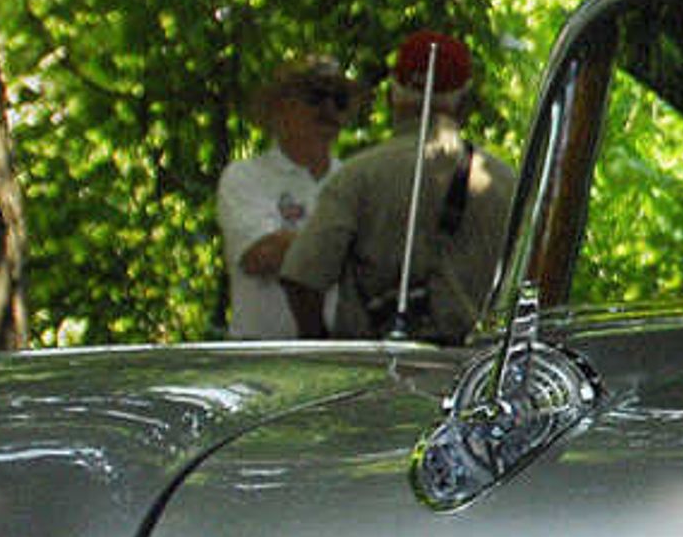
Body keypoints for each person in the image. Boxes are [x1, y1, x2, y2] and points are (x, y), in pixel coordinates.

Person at [280, 30, 517, 343]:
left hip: (375, 372)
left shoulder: (357, 177)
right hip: (473, 372)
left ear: (392, 96)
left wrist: (320, 345)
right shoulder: (507, 184)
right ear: (465, 104)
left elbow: (302, 277)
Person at [215, 56, 355, 338]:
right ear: (280, 107)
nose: (328, 109)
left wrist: (298, 245)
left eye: (339, 99)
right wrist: (349, 248)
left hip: (338, 359)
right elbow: (261, 256)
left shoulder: (354, 179)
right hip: (262, 358)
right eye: (315, 96)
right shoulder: (246, 177)